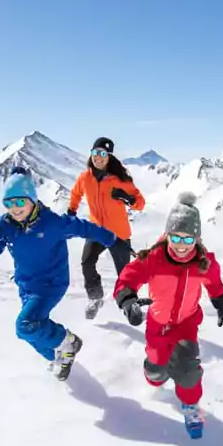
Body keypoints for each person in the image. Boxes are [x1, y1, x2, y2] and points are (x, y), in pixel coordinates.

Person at [0, 166, 118, 380]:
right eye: (9, 203)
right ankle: (59, 356)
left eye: (20, 202)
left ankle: (69, 342)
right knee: (33, 334)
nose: (15, 208)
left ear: (32, 199)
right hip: (26, 286)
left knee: (24, 326)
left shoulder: (51, 222)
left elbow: (84, 227)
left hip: (51, 284)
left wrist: (112, 240)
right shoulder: (6, 224)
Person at [113, 193, 223, 439]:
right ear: (167, 235)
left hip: (186, 323)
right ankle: (156, 372)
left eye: (187, 239)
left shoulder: (203, 262)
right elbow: (128, 277)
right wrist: (127, 301)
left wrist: (221, 306)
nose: (180, 245)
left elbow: (215, 284)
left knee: (188, 368)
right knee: (156, 375)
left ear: (197, 239)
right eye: (175, 237)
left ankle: (191, 407)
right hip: (157, 323)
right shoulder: (153, 258)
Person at [67, 136, 146, 318]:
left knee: (124, 274)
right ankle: (95, 297)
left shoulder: (120, 180)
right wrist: (72, 210)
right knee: (87, 263)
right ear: (91, 154)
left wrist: (128, 199)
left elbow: (140, 203)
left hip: (118, 233)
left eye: (103, 153)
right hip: (96, 231)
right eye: (95, 152)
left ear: (109, 156)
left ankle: (130, 305)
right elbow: (76, 193)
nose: (98, 157)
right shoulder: (85, 177)